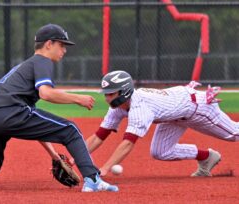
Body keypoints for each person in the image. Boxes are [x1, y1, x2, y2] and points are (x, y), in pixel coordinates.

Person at [0, 23, 118, 192]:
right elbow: (46, 93)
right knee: (70, 129)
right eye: (62, 44)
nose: (64, 50)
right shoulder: (43, 61)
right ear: (49, 44)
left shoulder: (24, 66)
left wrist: (53, 155)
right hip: (10, 113)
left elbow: (34, 124)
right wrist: (77, 98)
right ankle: (93, 179)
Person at [86, 70, 239, 176]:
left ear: (124, 91)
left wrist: (104, 169)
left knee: (234, 134)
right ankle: (207, 157)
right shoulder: (118, 107)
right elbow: (99, 135)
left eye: (111, 94)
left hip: (197, 108)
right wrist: (74, 159)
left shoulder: (140, 106)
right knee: (160, 152)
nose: (107, 98)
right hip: (172, 116)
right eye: (106, 94)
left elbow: (128, 143)